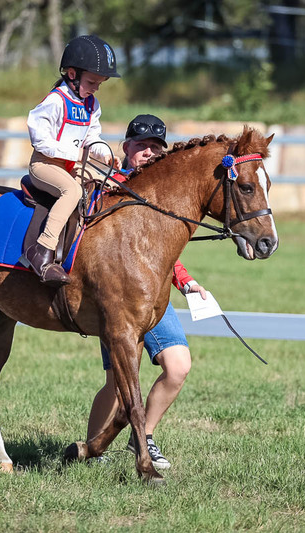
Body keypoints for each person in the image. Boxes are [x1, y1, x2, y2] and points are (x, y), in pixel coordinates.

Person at [86, 114, 207, 469]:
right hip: (118, 296)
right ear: (126, 148)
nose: (149, 153)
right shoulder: (108, 187)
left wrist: (184, 281)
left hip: (155, 295)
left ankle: (145, 436)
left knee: (178, 367)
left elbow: (162, 254)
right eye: (141, 146)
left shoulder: (162, 194)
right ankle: (94, 451)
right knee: (116, 384)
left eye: (156, 148)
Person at [23, 35, 120, 286]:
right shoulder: (55, 101)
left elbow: (92, 138)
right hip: (44, 165)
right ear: (72, 74)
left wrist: (107, 156)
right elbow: (40, 140)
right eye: (92, 82)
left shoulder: (92, 104)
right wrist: (73, 154)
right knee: (72, 191)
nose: (96, 88)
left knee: (110, 186)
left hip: (72, 166)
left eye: (100, 83)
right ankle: (42, 249)